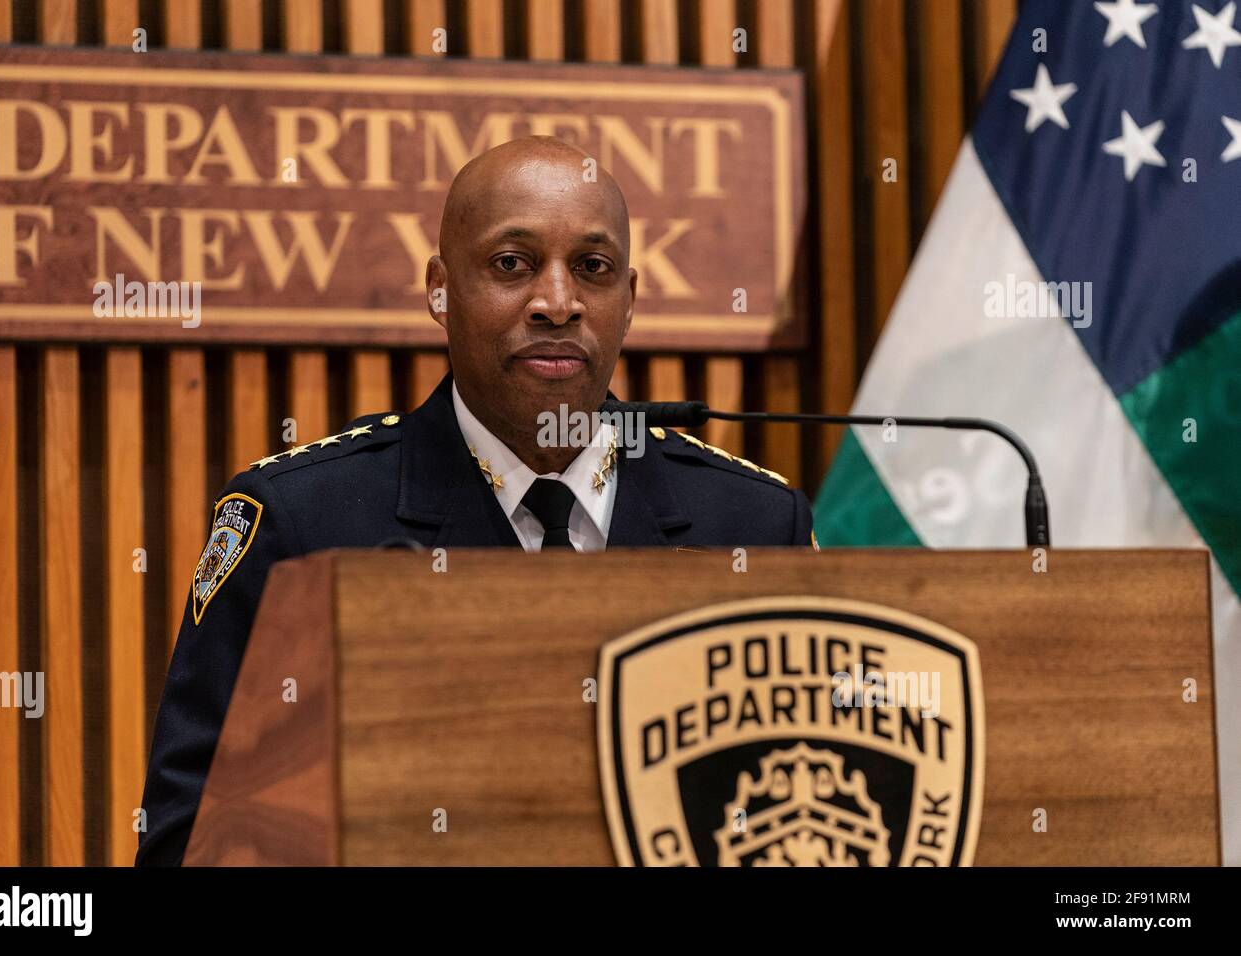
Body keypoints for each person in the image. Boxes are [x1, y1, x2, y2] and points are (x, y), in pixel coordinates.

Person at [136, 135, 815, 866]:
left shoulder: (753, 522)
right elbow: (187, 840)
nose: (558, 304)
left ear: (629, 300)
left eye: (592, 269)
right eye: (511, 265)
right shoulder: (302, 523)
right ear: (440, 288)